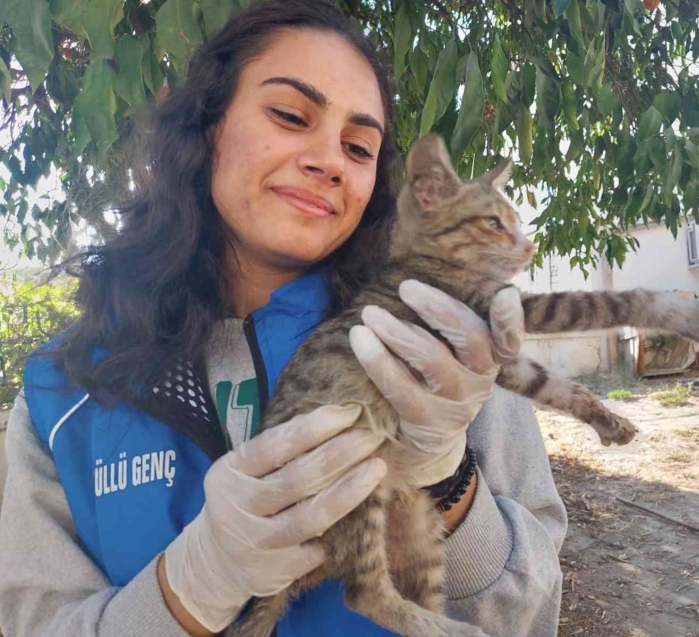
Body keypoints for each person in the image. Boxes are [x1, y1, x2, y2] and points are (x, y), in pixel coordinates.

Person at [0, 1, 567, 635]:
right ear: (208, 126)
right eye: (291, 116)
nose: (329, 160)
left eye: (359, 146)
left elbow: (529, 615)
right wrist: (188, 587)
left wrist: (449, 482)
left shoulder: (445, 343)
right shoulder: (65, 391)